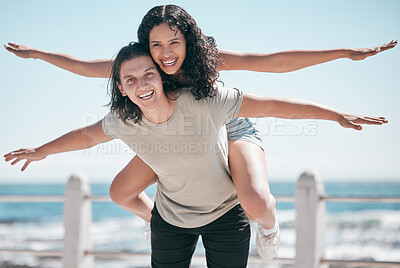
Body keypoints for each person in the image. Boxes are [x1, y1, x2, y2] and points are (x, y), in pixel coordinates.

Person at [3, 4, 397, 260]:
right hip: (167, 134)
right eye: (156, 45)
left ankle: (271, 228)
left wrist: (345, 53)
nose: (166, 52)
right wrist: (39, 54)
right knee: (120, 191)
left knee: (255, 200)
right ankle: (156, 222)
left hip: (227, 123)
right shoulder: (145, 69)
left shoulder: (208, 63)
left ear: (188, 40)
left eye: (174, 41)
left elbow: (275, 63)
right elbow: (86, 68)